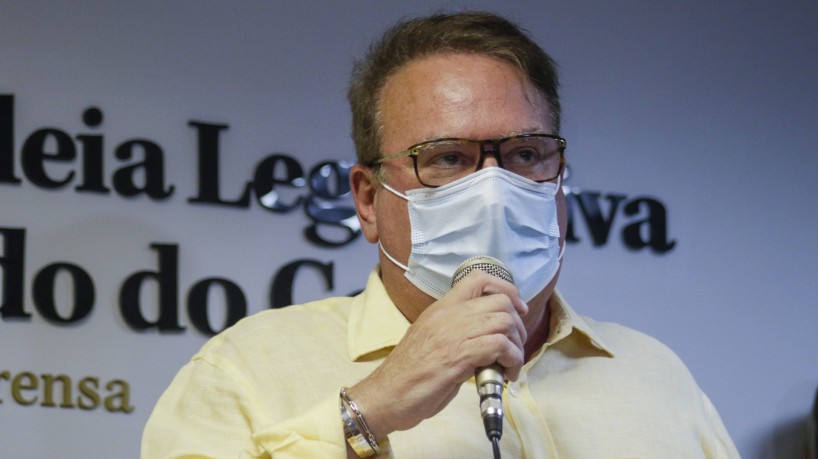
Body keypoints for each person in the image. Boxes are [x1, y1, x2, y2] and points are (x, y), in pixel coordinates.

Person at [142, 11, 739, 458]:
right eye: (448, 159)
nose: (494, 188)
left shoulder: (653, 373)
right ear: (369, 200)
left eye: (526, 153)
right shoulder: (247, 368)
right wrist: (369, 412)